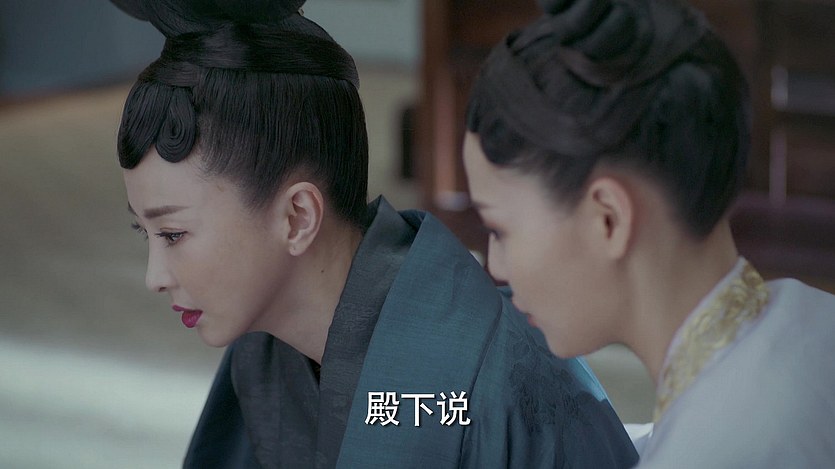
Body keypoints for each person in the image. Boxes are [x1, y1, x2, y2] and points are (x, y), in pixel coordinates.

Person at [109, 0, 639, 467]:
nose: (155, 277)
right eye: (144, 232)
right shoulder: (265, 349)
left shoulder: (491, 381)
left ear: (298, 217)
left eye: (173, 234)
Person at [463, 0, 835, 467]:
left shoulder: (712, 453)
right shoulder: (815, 322)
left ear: (608, 219)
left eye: (499, 229)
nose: (496, 267)